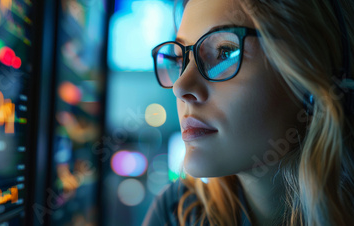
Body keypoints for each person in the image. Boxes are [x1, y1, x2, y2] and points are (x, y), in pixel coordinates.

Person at [143, 0, 354, 225]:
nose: (180, 87)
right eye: (179, 59)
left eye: (224, 53)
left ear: (314, 69)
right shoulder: (176, 211)